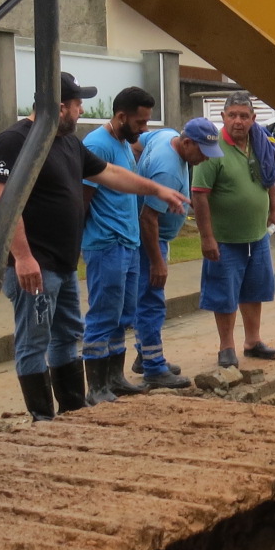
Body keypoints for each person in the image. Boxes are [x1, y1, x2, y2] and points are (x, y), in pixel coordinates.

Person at [0, 72, 186, 420]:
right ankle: (42, 418)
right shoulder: (14, 141)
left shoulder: (67, 142)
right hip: (36, 264)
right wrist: (22, 257)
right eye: (78, 105)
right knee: (34, 342)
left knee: (67, 336)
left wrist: (155, 190)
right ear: (61, 107)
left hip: (63, 265)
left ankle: (72, 409)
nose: (81, 112)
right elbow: (3, 204)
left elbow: (109, 173)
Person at [80, 86, 188, 402]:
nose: (143, 130)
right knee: (102, 315)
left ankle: (115, 378)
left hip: (127, 243)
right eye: (140, 123)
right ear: (121, 116)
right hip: (106, 243)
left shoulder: (123, 143)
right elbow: (84, 197)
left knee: (122, 315)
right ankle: (96, 387)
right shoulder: (98, 145)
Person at [130, 116, 222, 387]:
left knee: (147, 298)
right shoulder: (168, 171)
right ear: (186, 142)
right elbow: (148, 219)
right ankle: (154, 368)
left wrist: (137, 175)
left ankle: (145, 356)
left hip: (154, 237)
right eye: (202, 153)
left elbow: (136, 143)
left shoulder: (163, 136)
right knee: (151, 300)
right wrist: (157, 262)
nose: (205, 159)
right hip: (149, 241)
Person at [193, 91, 275, 368]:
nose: (238, 121)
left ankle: (252, 342)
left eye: (244, 116)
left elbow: (270, 178)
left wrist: (274, 210)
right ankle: (226, 347)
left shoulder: (260, 143)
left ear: (253, 119)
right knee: (225, 295)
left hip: (257, 236)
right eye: (232, 115)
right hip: (225, 240)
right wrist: (207, 237)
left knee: (255, 290)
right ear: (223, 117)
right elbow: (199, 194)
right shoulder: (213, 149)